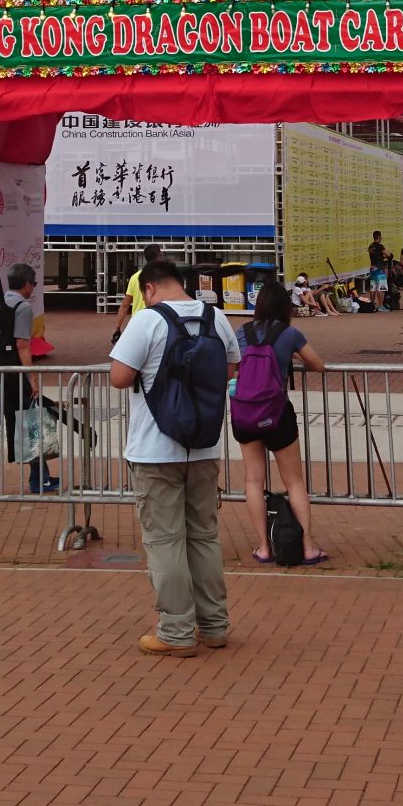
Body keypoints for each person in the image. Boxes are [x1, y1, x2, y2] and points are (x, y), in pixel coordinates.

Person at [107, 259, 240, 656]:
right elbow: (230, 369)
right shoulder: (217, 318)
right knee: (204, 536)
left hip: (154, 449)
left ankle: (176, 630)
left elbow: (119, 377)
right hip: (204, 447)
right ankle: (214, 626)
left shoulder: (147, 321)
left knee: (165, 540)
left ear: (148, 289)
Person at [232, 281, 328, 566]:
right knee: (294, 481)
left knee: (253, 480)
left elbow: (233, 367)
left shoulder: (242, 332)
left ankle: (264, 547)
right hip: (277, 413)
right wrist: (291, 356)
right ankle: (308, 546)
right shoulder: (290, 334)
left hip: (246, 413)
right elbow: (317, 364)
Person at [0, 265, 51, 494]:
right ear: (27, 284)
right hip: (11, 375)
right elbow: (22, 345)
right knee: (30, 423)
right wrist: (32, 378)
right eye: (33, 284)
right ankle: (39, 479)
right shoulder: (22, 308)